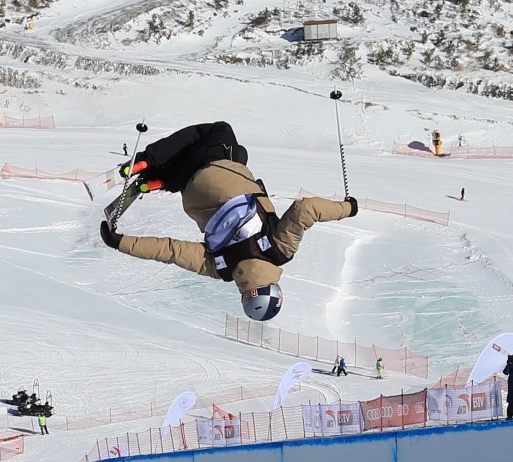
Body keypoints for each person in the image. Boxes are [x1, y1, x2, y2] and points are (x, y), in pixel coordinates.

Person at [99, 121, 358, 321]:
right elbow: (171, 251)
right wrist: (119, 242)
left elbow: (305, 209)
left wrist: (348, 208)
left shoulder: (281, 249)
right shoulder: (222, 269)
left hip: (219, 172)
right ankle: (161, 179)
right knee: (238, 155)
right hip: (191, 191)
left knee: (219, 131)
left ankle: (146, 161)